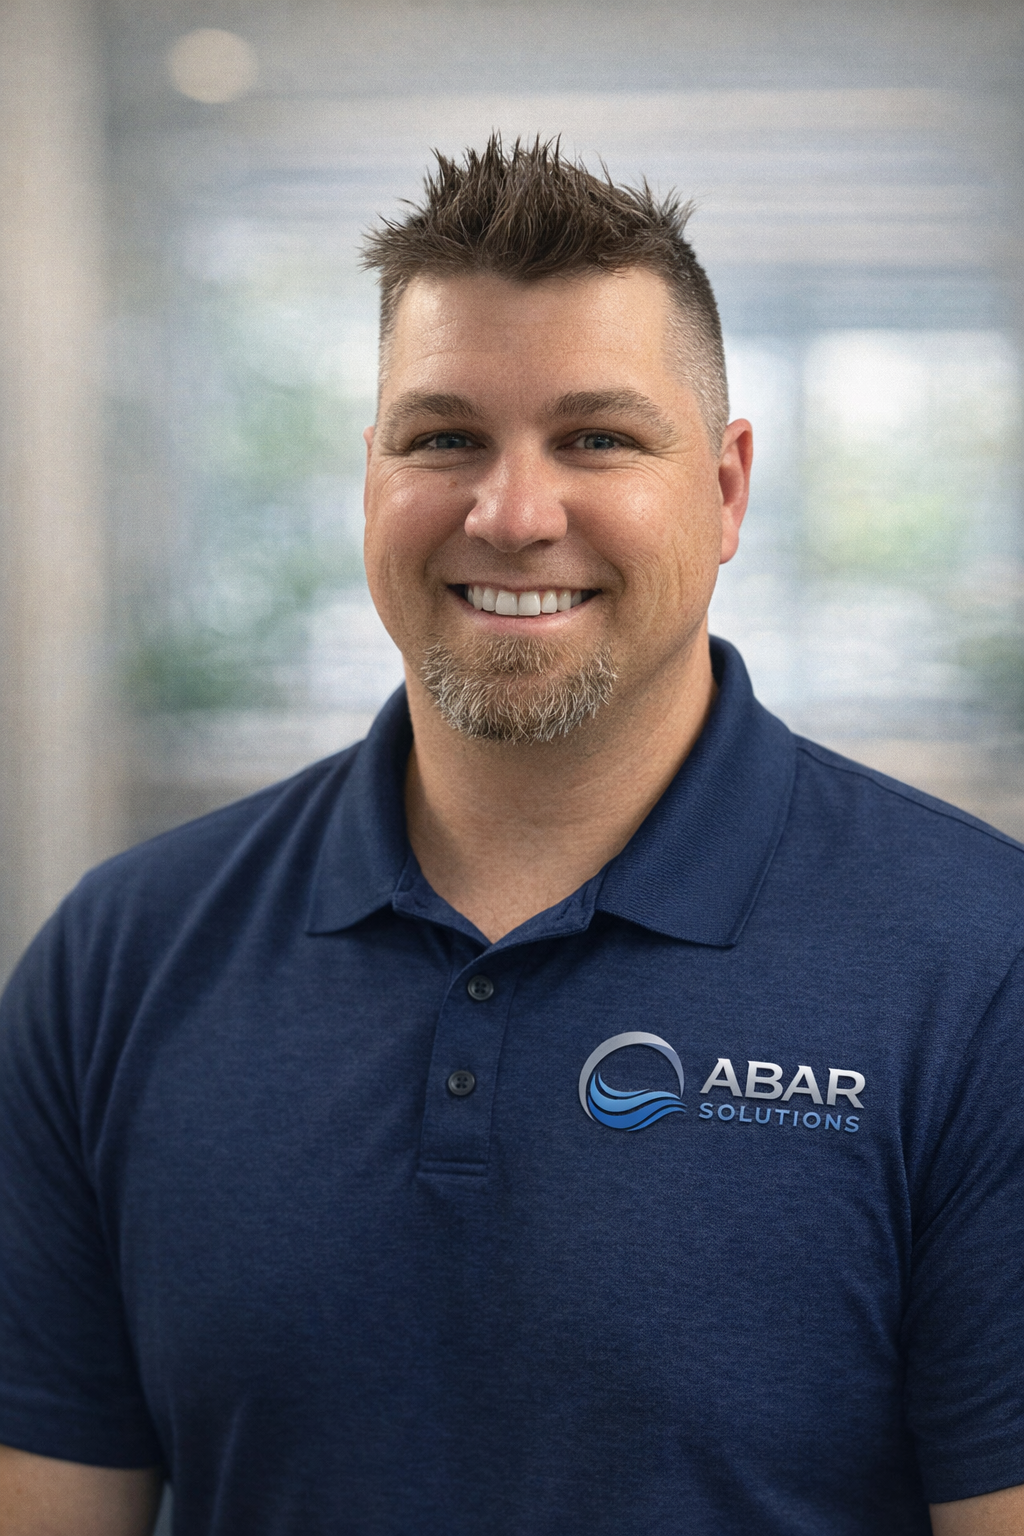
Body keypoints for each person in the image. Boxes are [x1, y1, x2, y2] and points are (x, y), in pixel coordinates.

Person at [1, 137, 1022, 1536]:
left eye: (598, 437)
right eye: (445, 439)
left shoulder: (979, 968)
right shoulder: (119, 962)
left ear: (725, 490)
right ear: (372, 478)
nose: (515, 514)